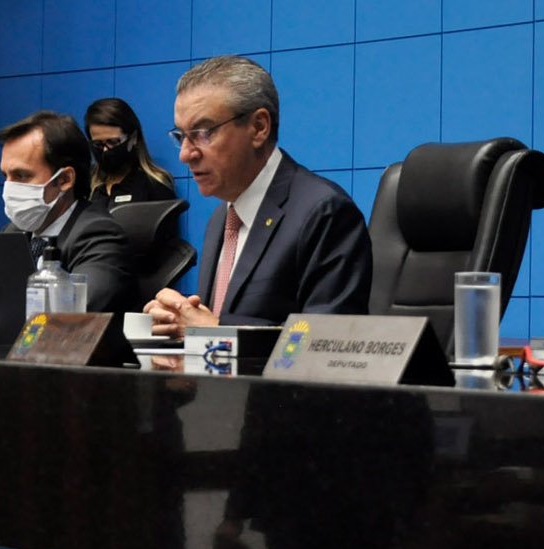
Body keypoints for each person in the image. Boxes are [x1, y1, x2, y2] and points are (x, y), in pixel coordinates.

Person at [143, 55, 372, 338]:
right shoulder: (221, 218)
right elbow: (212, 328)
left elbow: (327, 343)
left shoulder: (324, 212)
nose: (185, 154)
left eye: (202, 133)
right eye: (181, 136)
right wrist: (178, 326)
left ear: (259, 127)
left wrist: (213, 332)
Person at [0, 110, 137, 314]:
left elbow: (75, 312)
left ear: (65, 179)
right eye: (5, 176)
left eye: (21, 176)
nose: (9, 188)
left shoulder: (99, 234)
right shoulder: (12, 233)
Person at [83, 97, 177, 212]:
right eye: (98, 144)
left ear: (133, 138)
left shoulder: (155, 185)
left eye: (113, 142)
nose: (105, 150)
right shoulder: (85, 186)